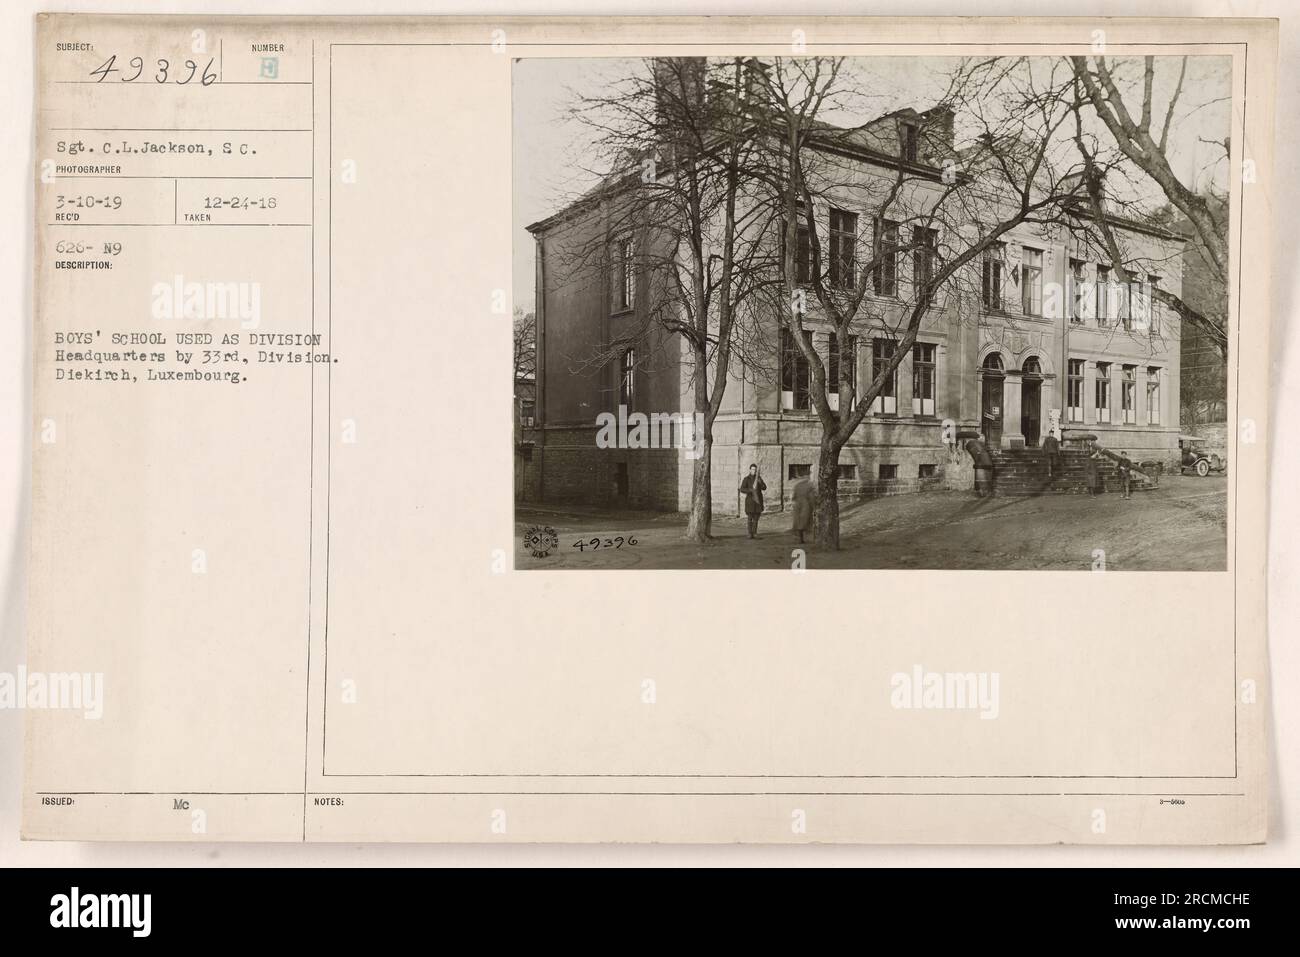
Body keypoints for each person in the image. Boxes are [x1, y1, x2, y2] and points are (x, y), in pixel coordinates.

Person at [739, 464, 767, 538]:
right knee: (750, 518)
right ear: (750, 470)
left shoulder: (759, 478)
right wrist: (750, 490)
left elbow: (764, 488)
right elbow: (742, 489)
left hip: (758, 501)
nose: (754, 471)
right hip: (750, 501)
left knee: (756, 518)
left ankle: (755, 533)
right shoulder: (746, 479)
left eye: (755, 469)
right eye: (752, 469)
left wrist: (760, 482)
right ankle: (749, 533)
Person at [790, 472, 815, 544]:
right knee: (805, 521)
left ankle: (800, 538)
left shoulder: (797, 485)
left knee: (799, 521)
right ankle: (804, 538)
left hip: (797, 504)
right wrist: (814, 506)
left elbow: (793, 497)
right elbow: (812, 497)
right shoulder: (809, 486)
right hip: (805, 504)